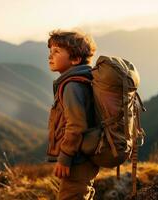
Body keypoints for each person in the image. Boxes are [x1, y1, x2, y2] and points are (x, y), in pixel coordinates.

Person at [46, 29, 99, 200]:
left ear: (75, 59)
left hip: (77, 158)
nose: (50, 56)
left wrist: (65, 157)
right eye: (50, 51)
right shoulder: (83, 80)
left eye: (56, 51)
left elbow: (76, 125)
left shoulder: (71, 87)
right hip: (86, 154)